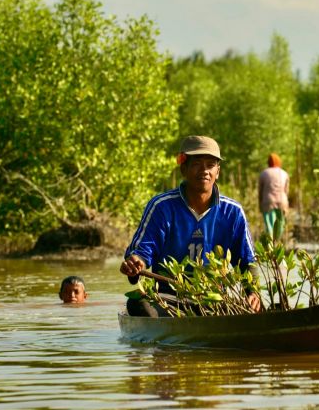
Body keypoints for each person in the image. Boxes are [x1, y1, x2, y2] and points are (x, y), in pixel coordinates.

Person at [120, 135, 259, 317]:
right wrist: (136, 264)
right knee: (137, 303)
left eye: (210, 165)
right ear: (184, 168)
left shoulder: (233, 212)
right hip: (168, 300)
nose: (205, 171)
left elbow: (247, 262)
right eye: (197, 164)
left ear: (218, 171)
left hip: (214, 300)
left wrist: (253, 293)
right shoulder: (162, 207)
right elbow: (142, 252)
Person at [258, 153, 290, 241]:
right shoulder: (284, 173)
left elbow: (260, 191)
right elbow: (286, 190)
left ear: (268, 162)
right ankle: (277, 242)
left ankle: (271, 246)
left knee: (269, 225)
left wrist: (260, 203)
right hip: (282, 201)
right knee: (280, 223)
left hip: (268, 201)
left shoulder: (264, 173)